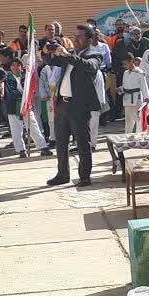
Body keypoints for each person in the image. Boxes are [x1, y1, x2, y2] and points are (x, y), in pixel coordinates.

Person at [46, 26, 105, 188]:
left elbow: (90, 66)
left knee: (82, 142)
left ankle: (84, 176)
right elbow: (51, 61)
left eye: (79, 37)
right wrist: (47, 51)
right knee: (61, 142)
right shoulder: (71, 53)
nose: (76, 39)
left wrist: (67, 55)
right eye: (75, 36)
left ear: (89, 39)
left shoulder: (95, 54)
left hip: (78, 106)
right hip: (62, 104)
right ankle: (62, 174)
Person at [4, 57, 51, 158]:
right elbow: (10, 92)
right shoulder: (7, 78)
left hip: (26, 105)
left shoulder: (27, 78)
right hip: (13, 107)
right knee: (16, 130)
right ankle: (21, 150)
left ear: (22, 67)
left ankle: (42, 147)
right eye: (13, 65)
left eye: (18, 65)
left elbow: (32, 90)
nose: (15, 67)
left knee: (33, 126)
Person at [119, 54, 149, 134]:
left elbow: (144, 86)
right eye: (124, 64)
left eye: (126, 63)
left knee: (138, 118)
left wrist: (147, 98)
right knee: (128, 120)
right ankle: (128, 135)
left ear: (131, 61)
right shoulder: (125, 73)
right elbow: (125, 85)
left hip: (137, 98)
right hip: (127, 98)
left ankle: (139, 135)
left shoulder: (139, 72)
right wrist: (120, 89)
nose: (125, 66)